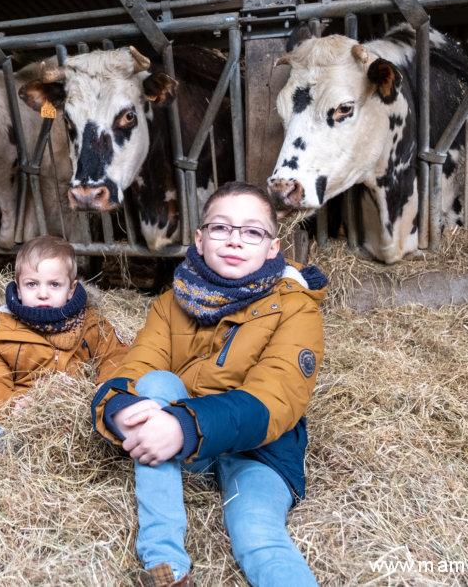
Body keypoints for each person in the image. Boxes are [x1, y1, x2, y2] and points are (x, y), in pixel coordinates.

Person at [91, 181, 328, 586]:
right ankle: (165, 567)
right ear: (200, 239)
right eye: (220, 228)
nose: (235, 240)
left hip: (260, 450)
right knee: (157, 381)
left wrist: (183, 426)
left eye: (252, 231)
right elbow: (135, 367)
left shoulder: (296, 309)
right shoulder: (170, 304)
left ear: (272, 247)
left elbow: (275, 399)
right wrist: (117, 407)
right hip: (180, 450)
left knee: (256, 532)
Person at [0, 235, 127, 416]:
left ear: (71, 289)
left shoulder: (91, 324)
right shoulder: (2, 333)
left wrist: (107, 385)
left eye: (54, 284)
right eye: (31, 284)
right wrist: (12, 405)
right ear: (18, 288)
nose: (42, 294)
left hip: (81, 412)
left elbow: (116, 355)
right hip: (26, 420)